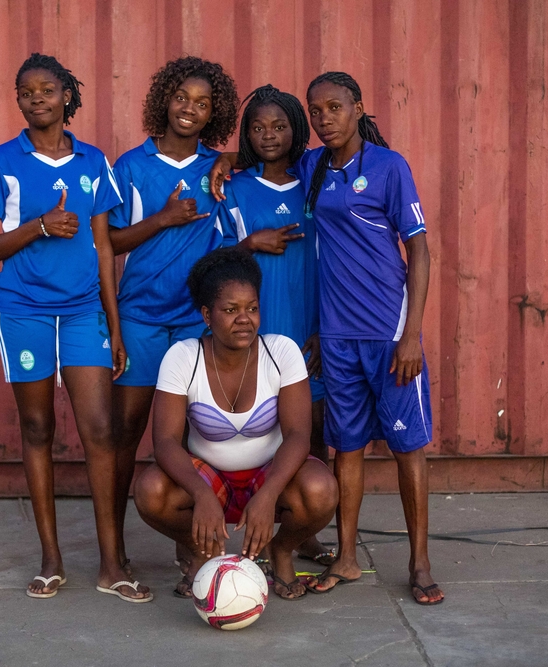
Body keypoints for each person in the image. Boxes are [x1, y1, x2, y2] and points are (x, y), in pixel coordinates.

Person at [210, 72, 443, 605]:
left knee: (408, 448)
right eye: (316, 111)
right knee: (346, 448)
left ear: (358, 107)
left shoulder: (389, 166)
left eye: (334, 107)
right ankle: (346, 558)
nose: (324, 118)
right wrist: (226, 159)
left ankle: (420, 563)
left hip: (388, 334)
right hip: (336, 338)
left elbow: (419, 250)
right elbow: (266, 151)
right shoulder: (312, 166)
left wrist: (412, 334)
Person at [0, 53, 150, 602]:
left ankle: (112, 564)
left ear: (67, 95)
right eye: (26, 93)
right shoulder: (2, 161)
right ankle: (51, 559)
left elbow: (105, 248)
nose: (37, 99)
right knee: (37, 429)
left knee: (100, 430)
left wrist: (114, 326)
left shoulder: (93, 161)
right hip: (23, 311)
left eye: (47, 90)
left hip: (81, 313)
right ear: (18, 101)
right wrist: (39, 227)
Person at [133, 247, 338, 600]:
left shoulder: (281, 352)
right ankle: (203, 551)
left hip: (270, 476)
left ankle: (280, 551)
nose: (244, 319)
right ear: (206, 315)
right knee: (150, 491)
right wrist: (200, 493)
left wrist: (269, 493)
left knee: (321, 490)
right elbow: (165, 441)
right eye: (230, 310)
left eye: (252, 308)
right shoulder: (183, 357)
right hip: (208, 480)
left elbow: (297, 435)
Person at [107, 57, 240, 576]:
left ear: (214, 114)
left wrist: (229, 156)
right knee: (126, 432)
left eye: (203, 103)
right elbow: (111, 241)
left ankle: (189, 547)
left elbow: (274, 155)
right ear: (164, 99)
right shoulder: (131, 166)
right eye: (182, 97)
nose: (189, 108)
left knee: (186, 435)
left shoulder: (216, 169)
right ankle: (114, 547)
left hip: (191, 321)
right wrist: (162, 218)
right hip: (140, 317)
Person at [223, 85, 335, 567]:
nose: (268, 135)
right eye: (257, 127)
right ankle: (255, 528)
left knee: (312, 434)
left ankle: (304, 532)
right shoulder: (236, 188)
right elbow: (215, 263)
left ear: (297, 129)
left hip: (308, 331)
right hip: (255, 336)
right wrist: (250, 244)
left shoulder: (316, 180)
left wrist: (327, 328)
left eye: (279, 126)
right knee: (260, 433)